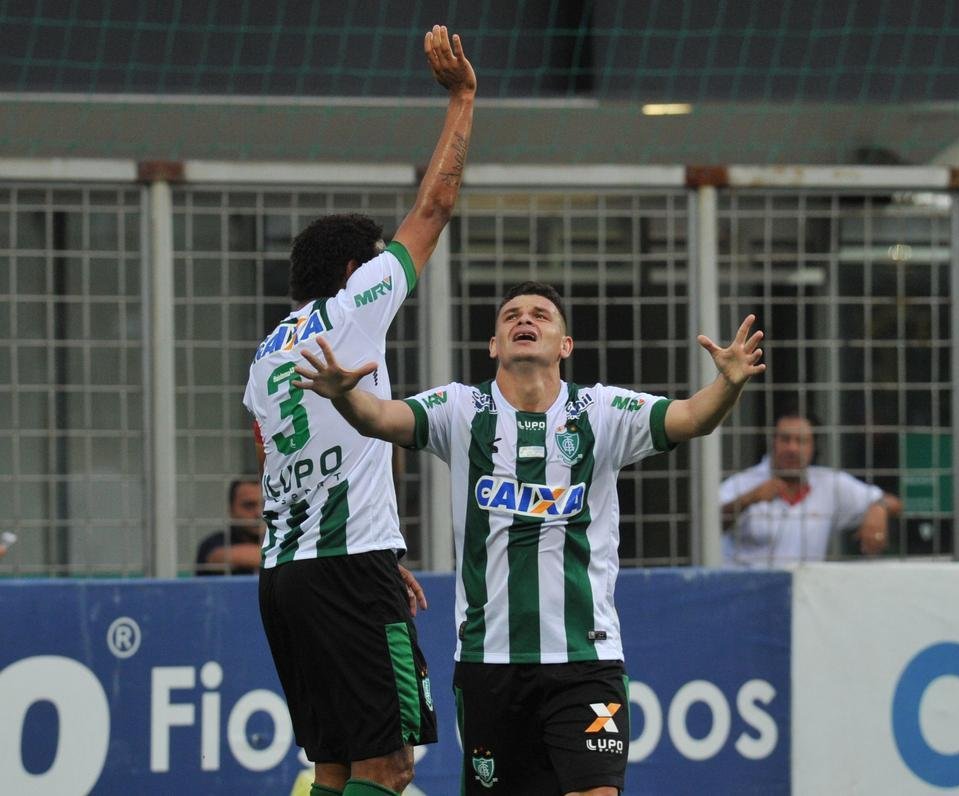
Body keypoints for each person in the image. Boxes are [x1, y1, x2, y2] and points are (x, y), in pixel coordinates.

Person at [291, 281, 765, 796]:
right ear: (494, 344)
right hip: (489, 663)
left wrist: (730, 383)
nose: (525, 320)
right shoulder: (461, 409)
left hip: (586, 659)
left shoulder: (602, 412)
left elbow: (692, 417)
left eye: (541, 314)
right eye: (512, 315)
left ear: (565, 345)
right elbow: (380, 417)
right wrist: (344, 397)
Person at [243, 25, 475, 796]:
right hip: (347, 571)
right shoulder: (355, 304)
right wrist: (462, 99)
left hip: (287, 574)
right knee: (390, 764)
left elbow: (272, 458)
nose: (388, 263)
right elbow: (436, 207)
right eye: (375, 255)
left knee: (333, 765)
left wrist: (378, 540)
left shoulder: (266, 353)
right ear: (353, 268)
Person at [720, 412, 902, 566]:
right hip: (746, 596)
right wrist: (748, 499)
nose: (792, 448)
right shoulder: (744, 483)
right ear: (772, 442)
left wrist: (879, 507)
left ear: (813, 447)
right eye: (785, 439)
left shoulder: (828, 483)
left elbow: (896, 504)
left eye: (801, 441)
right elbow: (708, 525)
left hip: (806, 599)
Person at [194, 478, 265, 575]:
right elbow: (219, 557)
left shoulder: (279, 539)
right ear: (231, 510)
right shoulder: (214, 543)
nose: (259, 513)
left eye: (265, 504)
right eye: (249, 505)